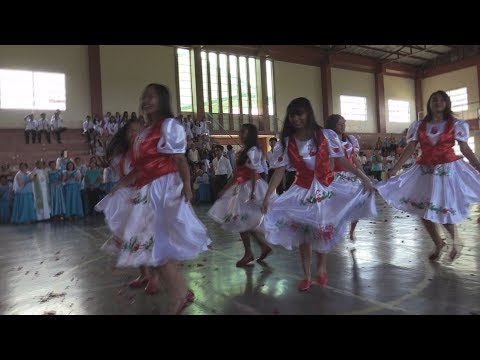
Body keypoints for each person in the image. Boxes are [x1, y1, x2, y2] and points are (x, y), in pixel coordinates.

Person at [111, 83, 211, 314]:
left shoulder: (169, 125)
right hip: (147, 191)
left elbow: (180, 159)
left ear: (162, 100)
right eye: (144, 97)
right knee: (153, 246)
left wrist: (187, 185)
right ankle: (181, 293)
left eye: (152, 97)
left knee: (158, 245)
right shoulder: (145, 131)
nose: (146, 101)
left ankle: (179, 296)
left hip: (165, 189)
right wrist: (121, 185)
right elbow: (139, 168)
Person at [261, 98, 373, 291]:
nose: (296, 118)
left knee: (322, 230)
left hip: (326, 188)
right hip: (302, 191)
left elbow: (342, 160)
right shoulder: (287, 142)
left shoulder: (326, 135)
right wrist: (267, 196)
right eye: (292, 115)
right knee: (304, 234)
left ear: (308, 114)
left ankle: (321, 267)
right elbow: (279, 171)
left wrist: (363, 177)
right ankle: (306, 275)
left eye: (300, 114)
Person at [376, 90, 480, 261]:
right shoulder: (418, 125)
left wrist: (477, 166)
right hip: (424, 171)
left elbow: (464, 148)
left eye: (440, 100)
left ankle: (456, 241)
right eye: (434, 100)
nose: (437, 102)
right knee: (422, 209)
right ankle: (438, 242)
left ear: (446, 103)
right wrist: (395, 168)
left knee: (442, 208)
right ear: (429, 104)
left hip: (446, 172)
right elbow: (410, 149)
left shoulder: (455, 123)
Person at [209, 124, 274, 267]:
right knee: (242, 222)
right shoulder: (244, 150)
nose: (241, 134)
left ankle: (252, 251)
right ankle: (257, 249)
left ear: (250, 134)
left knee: (245, 222)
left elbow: (253, 172)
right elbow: (236, 175)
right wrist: (225, 189)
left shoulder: (253, 150)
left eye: (244, 132)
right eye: (241, 131)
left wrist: (252, 192)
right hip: (241, 187)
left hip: (250, 187)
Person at [325, 114, 377, 248]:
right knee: (335, 205)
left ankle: (352, 230)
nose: (342, 126)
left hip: (351, 175)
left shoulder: (349, 139)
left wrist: (363, 175)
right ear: (332, 125)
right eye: (339, 124)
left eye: (344, 123)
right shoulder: (328, 139)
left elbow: (354, 159)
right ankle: (332, 228)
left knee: (358, 201)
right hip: (336, 176)